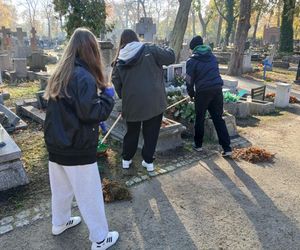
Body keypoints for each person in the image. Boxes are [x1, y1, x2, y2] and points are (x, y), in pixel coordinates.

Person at [44, 28, 119, 250]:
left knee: (61, 189)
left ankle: (59, 222)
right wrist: (107, 100)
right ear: (91, 50)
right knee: (90, 194)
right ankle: (99, 238)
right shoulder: (83, 76)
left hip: (57, 144)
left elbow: (74, 109)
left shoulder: (61, 72)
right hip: (77, 146)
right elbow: (90, 113)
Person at [111, 29, 175, 172]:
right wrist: (166, 46)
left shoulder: (119, 59)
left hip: (132, 102)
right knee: (151, 132)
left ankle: (126, 159)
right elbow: (171, 57)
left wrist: (125, 96)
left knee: (132, 132)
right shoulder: (150, 49)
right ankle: (148, 161)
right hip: (154, 100)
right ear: (136, 39)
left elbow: (116, 81)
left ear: (122, 42)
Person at [186, 35, 232, 156]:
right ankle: (227, 148)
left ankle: (198, 145)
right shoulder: (212, 57)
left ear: (193, 48)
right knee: (218, 118)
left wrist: (191, 94)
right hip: (217, 90)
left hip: (203, 92)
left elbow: (189, 81)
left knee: (200, 118)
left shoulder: (192, 61)